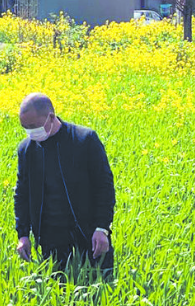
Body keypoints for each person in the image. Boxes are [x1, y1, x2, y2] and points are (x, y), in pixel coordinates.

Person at [13, 93, 115, 274]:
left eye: (33, 126)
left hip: (90, 234)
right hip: (50, 239)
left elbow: (104, 187)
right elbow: (21, 194)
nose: (30, 132)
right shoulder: (26, 150)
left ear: (51, 117)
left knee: (99, 290)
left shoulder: (84, 140)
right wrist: (23, 234)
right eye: (25, 127)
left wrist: (102, 228)